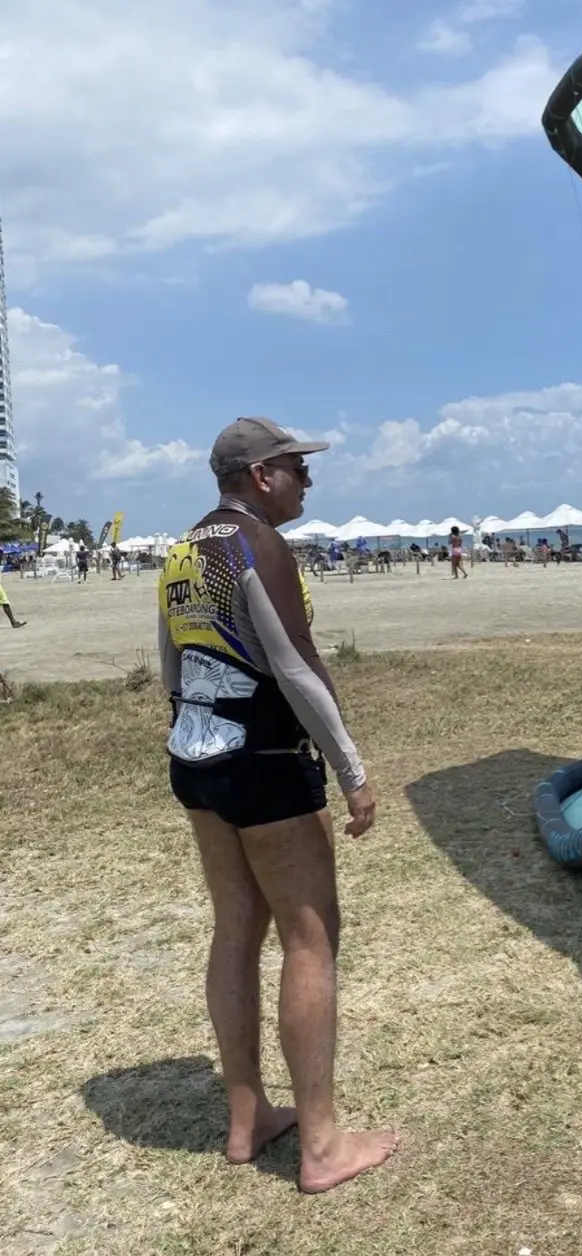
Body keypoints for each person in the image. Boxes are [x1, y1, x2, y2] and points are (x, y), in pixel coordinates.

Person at [158, 416, 397, 1192]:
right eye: (298, 467)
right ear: (261, 475)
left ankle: (246, 1116)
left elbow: (171, 664)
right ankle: (323, 1144)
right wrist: (352, 770)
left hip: (196, 755)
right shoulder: (258, 544)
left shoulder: (184, 549)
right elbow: (296, 668)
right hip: (263, 759)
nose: (307, 480)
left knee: (235, 926)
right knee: (309, 935)